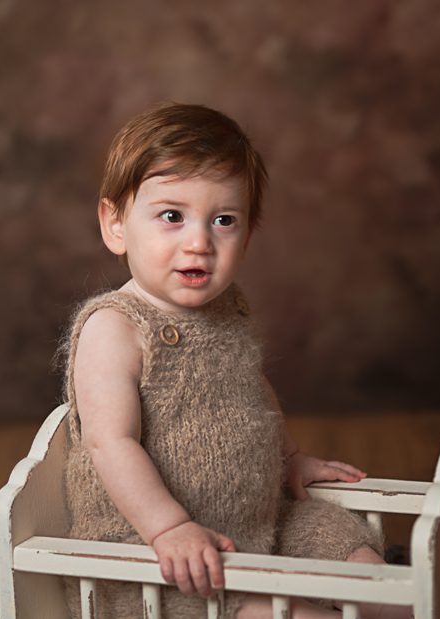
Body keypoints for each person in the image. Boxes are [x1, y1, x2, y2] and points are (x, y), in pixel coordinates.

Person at [55, 101, 412, 619]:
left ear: (247, 236)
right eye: (172, 216)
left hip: (255, 525)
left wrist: (291, 457)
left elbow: (248, 388)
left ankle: (401, 605)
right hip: (154, 552)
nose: (199, 242)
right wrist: (169, 527)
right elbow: (111, 442)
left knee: (343, 543)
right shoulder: (114, 327)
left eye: (223, 220)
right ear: (116, 225)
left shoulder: (228, 309)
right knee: (268, 608)